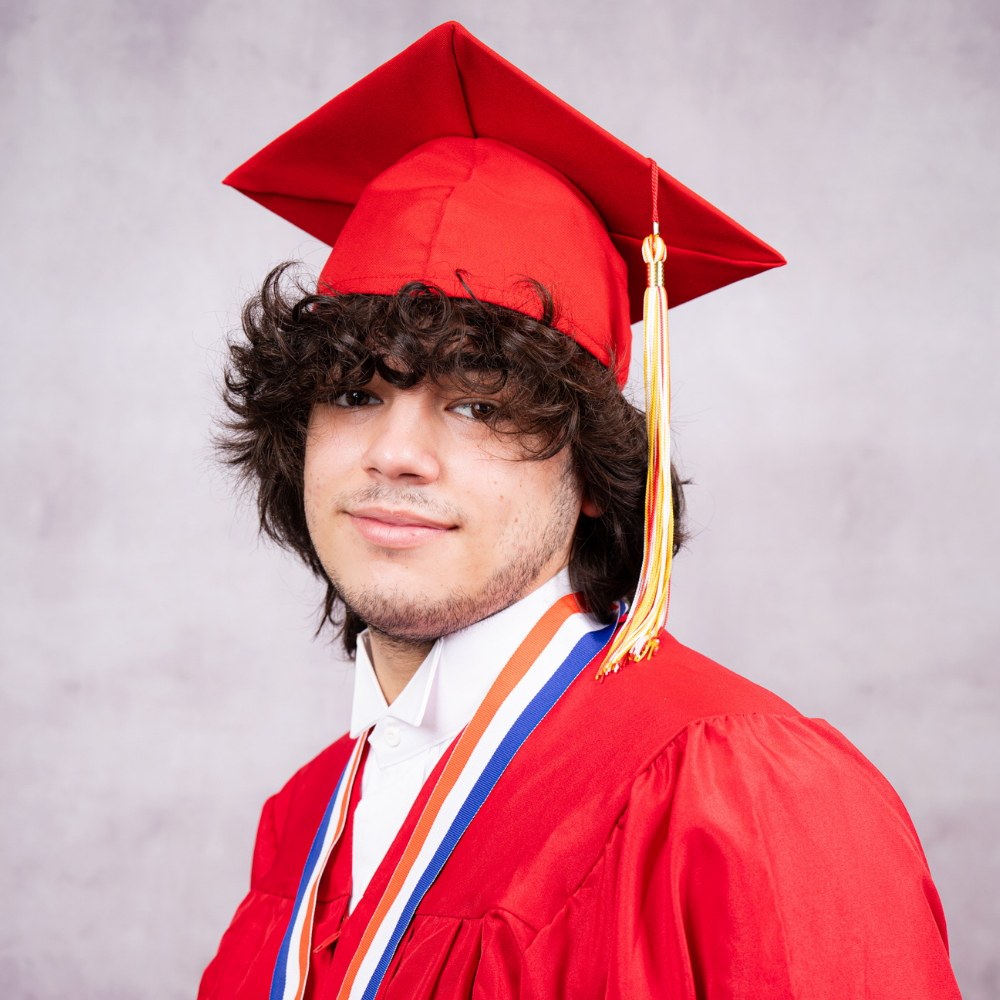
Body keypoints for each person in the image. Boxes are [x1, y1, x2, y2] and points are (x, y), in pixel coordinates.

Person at [199, 21, 961, 1000]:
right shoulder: (304, 822)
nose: (395, 452)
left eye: (478, 405)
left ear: (596, 471)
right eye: (354, 393)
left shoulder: (737, 792)